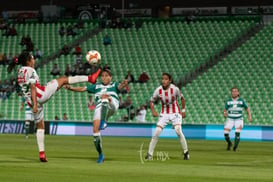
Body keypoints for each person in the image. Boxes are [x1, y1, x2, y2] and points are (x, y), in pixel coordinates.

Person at [16, 51, 101, 162]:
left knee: (40, 126)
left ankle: (42, 154)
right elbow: (32, 86)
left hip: (30, 101)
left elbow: (23, 88)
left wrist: (33, 104)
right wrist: (36, 104)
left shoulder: (20, 71)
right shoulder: (30, 70)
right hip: (39, 96)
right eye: (32, 58)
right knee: (63, 79)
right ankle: (90, 78)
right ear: (28, 61)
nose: (34, 59)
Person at [65, 67, 128, 163]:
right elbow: (83, 88)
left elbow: (120, 87)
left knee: (105, 98)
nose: (104, 78)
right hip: (99, 107)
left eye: (106, 76)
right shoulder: (96, 86)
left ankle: (103, 121)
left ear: (111, 77)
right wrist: (71, 88)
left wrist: (123, 84)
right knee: (95, 132)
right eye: (102, 76)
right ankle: (100, 154)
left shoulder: (114, 84)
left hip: (112, 104)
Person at [146, 73, 189, 160]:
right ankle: (149, 154)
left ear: (170, 80)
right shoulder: (158, 90)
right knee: (157, 132)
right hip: (164, 113)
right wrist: (153, 111)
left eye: (166, 79)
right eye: (162, 79)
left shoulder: (175, 89)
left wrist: (183, 111)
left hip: (175, 112)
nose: (163, 81)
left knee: (178, 131)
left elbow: (182, 98)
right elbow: (151, 101)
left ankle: (186, 152)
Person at [224, 87, 252, 151]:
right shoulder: (228, 101)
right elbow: (225, 109)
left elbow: (247, 108)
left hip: (238, 119)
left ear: (238, 93)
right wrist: (225, 113)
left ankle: (235, 147)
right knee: (225, 133)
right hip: (230, 119)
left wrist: (249, 116)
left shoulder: (241, 101)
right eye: (233, 91)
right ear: (231, 93)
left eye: (235, 91)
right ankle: (229, 143)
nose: (234, 92)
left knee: (237, 133)